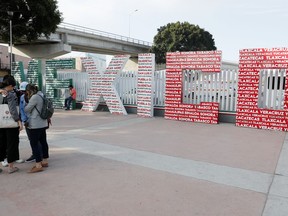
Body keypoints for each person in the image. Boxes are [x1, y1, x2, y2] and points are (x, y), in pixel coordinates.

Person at [0, 76, 23, 174]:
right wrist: (18, 121)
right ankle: (11, 167)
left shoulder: (0, 93)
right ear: (9, 86)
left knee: (1, 144)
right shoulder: (11, 94)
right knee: (11, 144)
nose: (13, 88)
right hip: (10, 124)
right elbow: (13, 110)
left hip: (0, 123)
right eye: (12, 86)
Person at [24, 84, 49, 173]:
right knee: (43, 141)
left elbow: (27, 109)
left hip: (35, 124)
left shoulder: (34, 97)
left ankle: (38, 164)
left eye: (27, 92)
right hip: (43, 122)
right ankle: (45, 161)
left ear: (29, 91)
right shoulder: (41, 95)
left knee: (34, 143)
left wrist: (26, 104)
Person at [19, 81, 35, 163]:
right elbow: (21, 110)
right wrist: (24, 120)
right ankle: (36, 154)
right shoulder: (22, 97)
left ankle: (38, 155)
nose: (24, 93)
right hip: (28, 121)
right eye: (22, 91)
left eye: (25, 91)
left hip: (36, 121)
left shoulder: (35, 97)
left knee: (37, 139)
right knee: (32, 139)